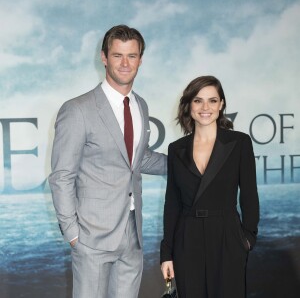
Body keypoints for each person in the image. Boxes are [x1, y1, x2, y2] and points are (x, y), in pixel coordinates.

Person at [48, 24, 167, 298]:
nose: (125, 63)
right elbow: (62, 176)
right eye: (117, 55)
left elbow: (138, 159)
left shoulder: (141, 105)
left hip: (133, 233)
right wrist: (73, 234)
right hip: (92, 236)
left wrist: (186, 164)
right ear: (104, 57)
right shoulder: (77, 109)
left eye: (132, 56)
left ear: (140, 60)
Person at [160, 76, 259, 298]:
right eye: (198, 100)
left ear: (221, 104)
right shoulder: (176, 149)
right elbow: (172, 203)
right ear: (189, 105)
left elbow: (250, 195)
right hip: (188, 239)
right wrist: (166, 253)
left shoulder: (239, 143)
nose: (206, 108)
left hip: (227, 237)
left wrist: (247, 238)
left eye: (212, 101)